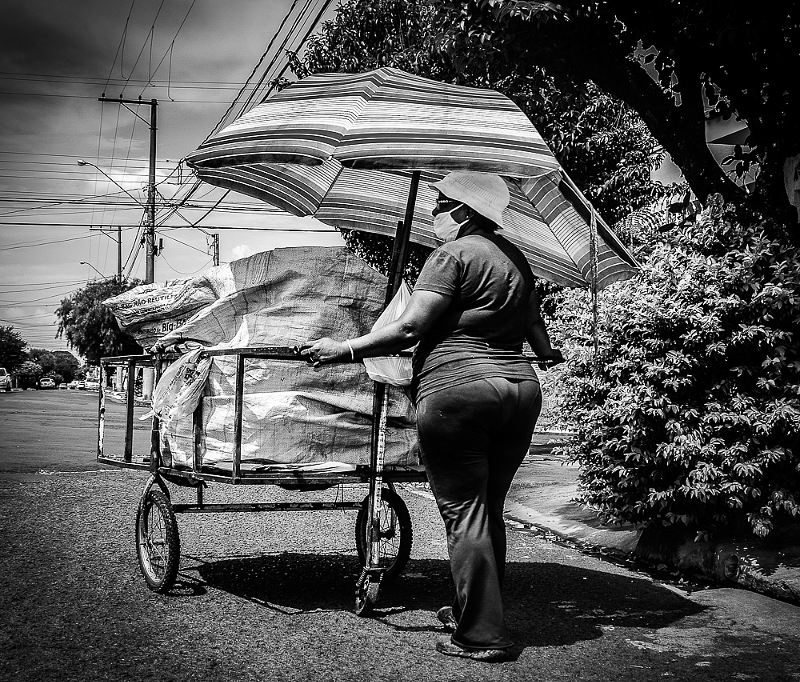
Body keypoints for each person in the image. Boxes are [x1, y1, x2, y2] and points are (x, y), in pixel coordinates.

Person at [301, 170, 563, 662]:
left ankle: (481, 635)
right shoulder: (516, 260)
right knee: (487, 506)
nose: (432, 212)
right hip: (521, 390)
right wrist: (539, 348)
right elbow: (537, 332)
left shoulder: (451, 256)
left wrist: (344, 349)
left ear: (463, 213)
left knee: (465, 511)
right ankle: (475, 610)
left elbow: (409, 328)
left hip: (458, 390)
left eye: (439, 204)